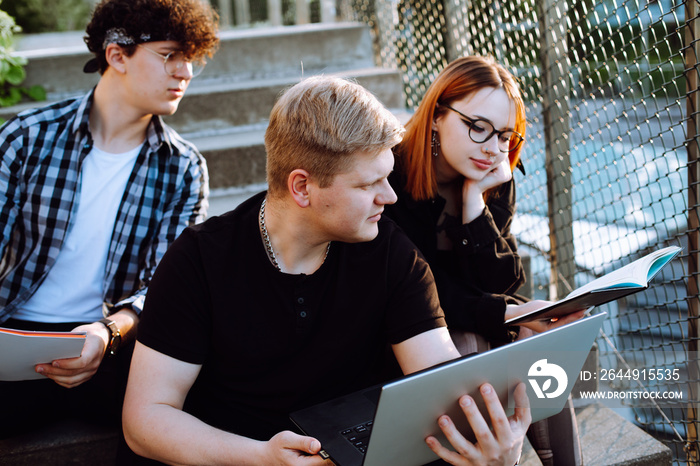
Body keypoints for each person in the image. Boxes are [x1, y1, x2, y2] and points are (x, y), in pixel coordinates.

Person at [120, 75, 531, 466]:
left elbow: (440, 379)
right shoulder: (199, 259)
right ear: (302, 187)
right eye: (369, 184)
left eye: (388, 177)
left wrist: (496, 450)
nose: (389, 197)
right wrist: (261, 457)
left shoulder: (392, 252)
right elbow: (145, 419)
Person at [0, 0, 219, 439]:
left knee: (205, 401)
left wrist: (108, 332)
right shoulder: (28, 137)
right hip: (13, 334)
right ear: (117, 54)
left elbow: (163, 284)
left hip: (113, 341)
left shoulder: (184, 167)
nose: (185, 72)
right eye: (169, 55)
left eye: (190, 58)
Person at [384, 55, 584, 465]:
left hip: (470, 316)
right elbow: (424, 291)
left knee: (538, 343)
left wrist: (473, 204)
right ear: (437, 115)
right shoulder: (390, 178)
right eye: (478, 128)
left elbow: (503, 280)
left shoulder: (492, 172)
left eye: (505, 135)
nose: (493, 149)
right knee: (477, 348)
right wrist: (507, 315)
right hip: (404, 330)